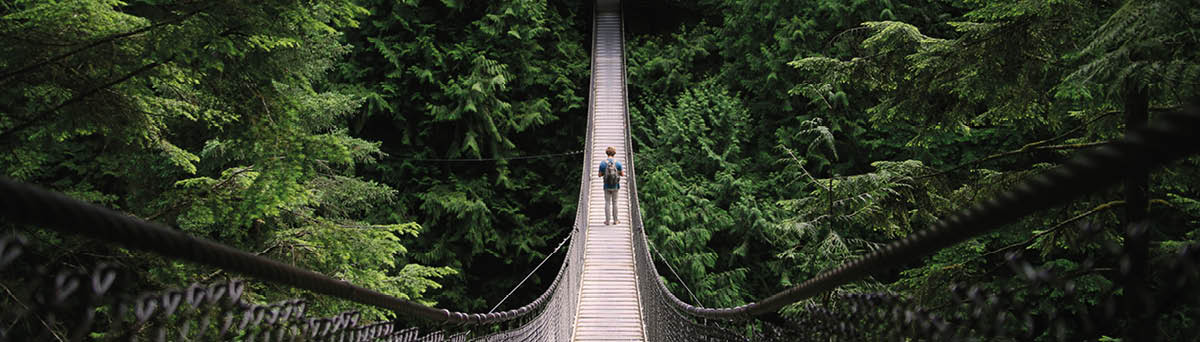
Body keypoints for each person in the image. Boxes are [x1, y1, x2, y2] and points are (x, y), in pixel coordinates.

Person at [598, 146, 624, 225]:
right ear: (614, 153)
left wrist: (604, 173)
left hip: (606, 186)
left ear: (607, 153)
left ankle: (607, 221)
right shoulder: (618, 163)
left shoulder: (603, 163)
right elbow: (622, 174)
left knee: (607, 202)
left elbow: (599, 175)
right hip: (616, 186)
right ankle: (615, 220)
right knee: (615, 202)